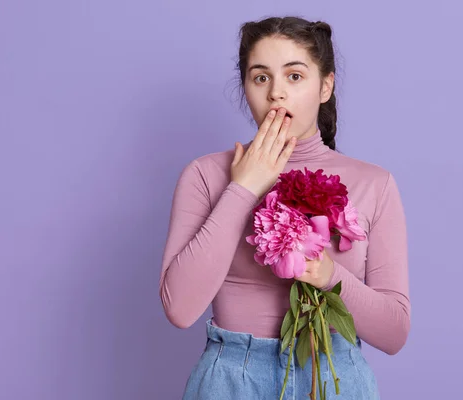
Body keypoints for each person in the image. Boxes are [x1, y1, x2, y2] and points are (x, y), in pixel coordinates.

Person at [159, 16, 410, 400]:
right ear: (246, 87)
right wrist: (243, 187)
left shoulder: (375, 184)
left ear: (325, 86)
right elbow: (180, 309)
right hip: (231, 381)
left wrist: (330, 277)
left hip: (334, 380)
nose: (276, 93)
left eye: (294, 76)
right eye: (261, 78)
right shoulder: (206, 175)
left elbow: (394, 334)